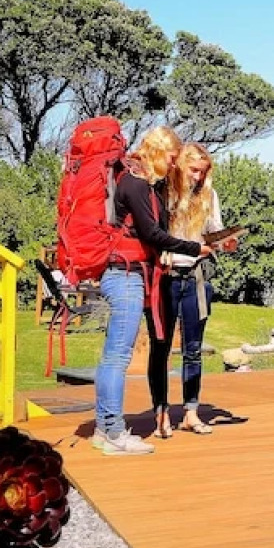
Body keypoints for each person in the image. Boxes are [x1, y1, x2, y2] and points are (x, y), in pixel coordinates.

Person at [94, 126, 208, 456]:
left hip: (123, 272)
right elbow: (153, 233)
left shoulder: (130, 178)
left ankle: (104, 428)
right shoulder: (137, 183)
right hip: (126, 276)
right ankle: (115, 431)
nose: (173, 165)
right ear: (158, 152)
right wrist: (192, 247)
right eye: (172, 157)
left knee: (110, 356)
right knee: (117, 357)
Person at [151, 143, 234, 437]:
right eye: (193, 170)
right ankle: (161, 412)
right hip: (166, 275)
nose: (198, 177)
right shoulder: (163, 192)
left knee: (193, 350)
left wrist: (227, 242)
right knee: (161, 349)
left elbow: (215, 231)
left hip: (196, 276)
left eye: (203, 172)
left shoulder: (209, 196)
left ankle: (191, 411)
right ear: (180, 166)